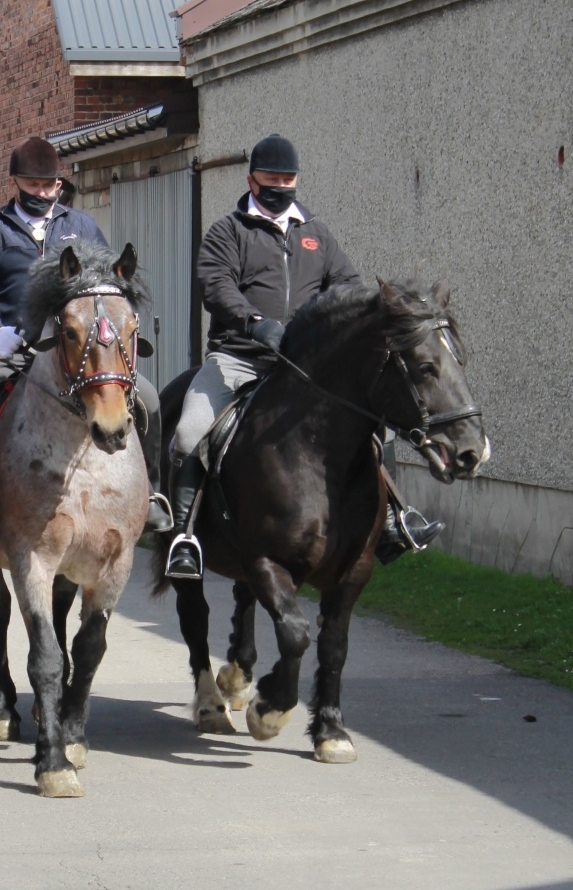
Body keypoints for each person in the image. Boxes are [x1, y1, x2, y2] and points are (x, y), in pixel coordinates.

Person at [163, 133, 444, 579]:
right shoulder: (229, 232)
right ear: (251, 180)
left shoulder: (317, 235)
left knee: (380, 427)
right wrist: (256, 324)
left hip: (305, 369)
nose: (280, 185)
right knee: (190, 429)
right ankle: (183, 536)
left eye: (287, 178)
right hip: (239, 358)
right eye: (271, 177)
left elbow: (348, 289)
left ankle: (392, 521)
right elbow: (215, 287)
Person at [0, 136, 172, 554]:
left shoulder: (81, 226)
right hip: (12, 344)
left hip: (75, 347)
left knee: (150, 400)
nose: (43, 193)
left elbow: (107, 282)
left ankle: (152, 496)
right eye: (34, 185)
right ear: (15, 182)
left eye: (50, 185)